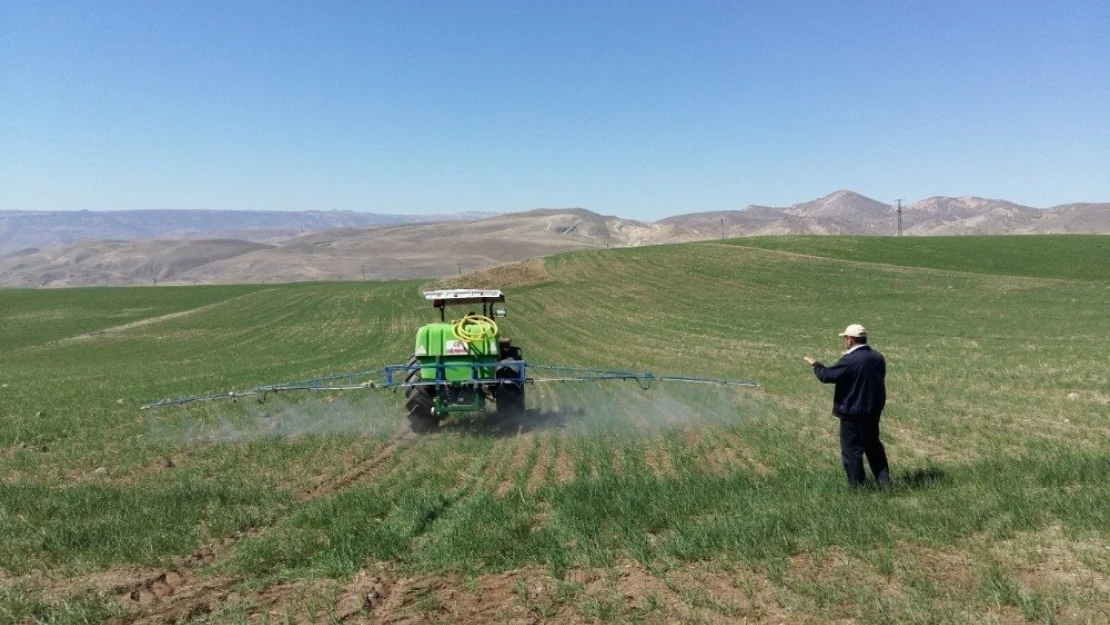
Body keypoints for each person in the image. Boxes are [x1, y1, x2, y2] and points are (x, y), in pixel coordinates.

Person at [804, 324, 890, 488]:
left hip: (852, 413)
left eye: (845, 338)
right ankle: (884, 483)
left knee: (852, 452)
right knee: (873, 448)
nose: (844, 341)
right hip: (873, 411)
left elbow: (827, 376)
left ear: (850, 339)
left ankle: (858, 488)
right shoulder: (878, 357)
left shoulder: (850, 360)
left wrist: (816, 364)